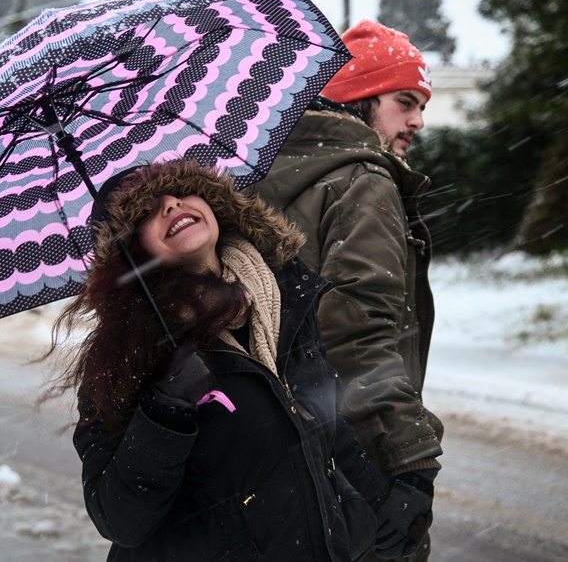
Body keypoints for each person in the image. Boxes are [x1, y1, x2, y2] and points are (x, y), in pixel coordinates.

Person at [42, 158, 433, 562]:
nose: (171, 205)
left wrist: (381, 504)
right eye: (145, 210)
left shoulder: (284, 299)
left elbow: (324, 427)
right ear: (129, 252)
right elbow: (120, 520)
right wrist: (165, 411)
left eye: (180, 190)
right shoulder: (123, 354)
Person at [247, 21, 444, 562]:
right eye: (405, 101)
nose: (418, 121)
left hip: (281, 446)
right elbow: (357, 332)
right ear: (359, 96)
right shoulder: (363, 181)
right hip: (354, 451)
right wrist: (407, 459)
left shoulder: (265, 176)